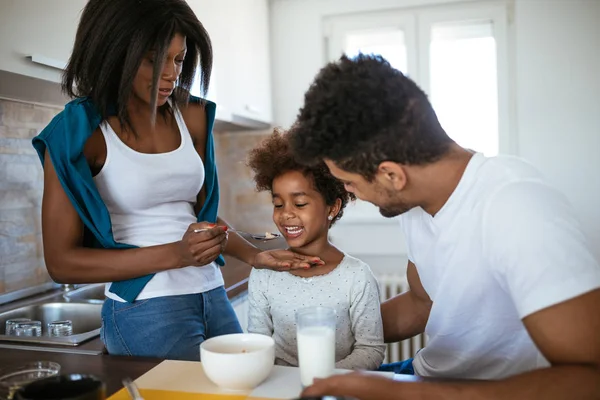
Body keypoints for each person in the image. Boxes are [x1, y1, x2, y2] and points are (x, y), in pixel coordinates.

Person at [288, 54, 600, 399]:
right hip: (426, 375)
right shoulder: (414, 202)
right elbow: (422, 303)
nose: (351, 193)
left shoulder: (516, 205)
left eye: (349, 183)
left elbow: (588, 378)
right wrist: (331, 331)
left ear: (392, 174)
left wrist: (407, 394)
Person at [32, 0, 321, 361]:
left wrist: (253, 255)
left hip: (211, 294)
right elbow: (62, 262)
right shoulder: (79, 132)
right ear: (114, 51)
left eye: (179, 59)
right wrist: (177, 254)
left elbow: (198, 224)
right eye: (155, 60)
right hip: (145, 308)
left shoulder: (193, 116)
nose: (171, 74)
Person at [246, 130, 385, 370]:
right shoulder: (264, 273)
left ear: (332, 207)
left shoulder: (356, 276)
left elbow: (370, 350)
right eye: (278, 204)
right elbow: (258, 344)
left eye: (300, 203)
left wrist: (323, 380)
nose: (286, 213)